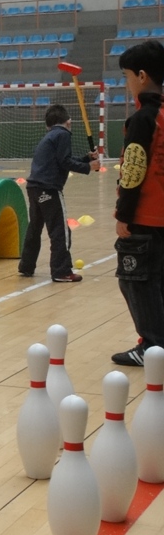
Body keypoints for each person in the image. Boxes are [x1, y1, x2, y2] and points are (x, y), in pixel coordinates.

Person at [112, 40, 164, 366]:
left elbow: (133, 169)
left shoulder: (143, 119)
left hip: (145, 218)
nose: (127, 83)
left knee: (137, 282)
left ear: (141, 76)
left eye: (128, 76)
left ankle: (151, 346)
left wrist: (123, 214)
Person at [17, 104, 99, 284]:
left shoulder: (51, 136)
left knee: (35, 228)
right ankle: (61, 271)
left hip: (34, 188)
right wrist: (88, 167)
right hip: (49, 188)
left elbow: (63, 159)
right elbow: (64, 162)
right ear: (68, 121)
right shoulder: (63, 134)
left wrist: (86, 159)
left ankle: (26, 265)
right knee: (60, 230)